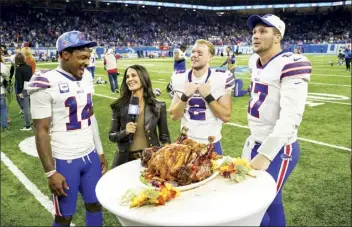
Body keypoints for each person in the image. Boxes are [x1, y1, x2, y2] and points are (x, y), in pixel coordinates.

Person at [28, 31, 107, 227]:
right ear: (65, 55)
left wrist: (100, 151)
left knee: (95, 205)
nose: (86, 62)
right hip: (65, 159)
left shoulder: (87, 77)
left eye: (88, 57)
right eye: (82, 57)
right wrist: (50, 172)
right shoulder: (45, 82)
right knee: (64, 217)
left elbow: (91, 116)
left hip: (89, 156)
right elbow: (41, 131)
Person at [242, 14, 312, 227]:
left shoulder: (291, 63)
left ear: (277, 36)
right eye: (254, 31)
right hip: (254, 140)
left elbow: (291, 117)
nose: (256, 35)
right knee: (272, 203)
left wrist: (266, 154)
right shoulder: (254, 61)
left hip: (280, 149)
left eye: (263, 31)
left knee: (255, 208)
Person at [169, 39, 234, 154]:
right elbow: (174, 116)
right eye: (193, 52)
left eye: (200, 53)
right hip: (186, 143)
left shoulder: (221, 78)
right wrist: (185, 96)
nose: (194, 55)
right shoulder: (179, 78)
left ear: (210, 57)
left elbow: (226, 116)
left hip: (211, 143)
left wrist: (208, 96)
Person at [109, 65, 171, 168]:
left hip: (150, 159)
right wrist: (125, 131)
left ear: (143, 77)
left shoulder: (158, 106)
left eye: (134, 75)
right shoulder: (119, 106)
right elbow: (112, 135)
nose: (130, 79)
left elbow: (164, 138)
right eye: (127, 77)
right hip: (125, 160)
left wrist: (167, 157)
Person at [14, 53, 33, 131]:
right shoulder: (29, 67)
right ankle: (32, 122)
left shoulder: (19, 69)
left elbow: (19, 81)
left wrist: (19, 92)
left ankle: (28, 125)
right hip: (30, 88)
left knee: (26, 108)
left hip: (23, 89)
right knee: (30, 107)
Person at [0, 60, 10, 131]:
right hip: (1, 91)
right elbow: (8, 73)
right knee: (3, 109)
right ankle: (4, 126)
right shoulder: (1, 65)